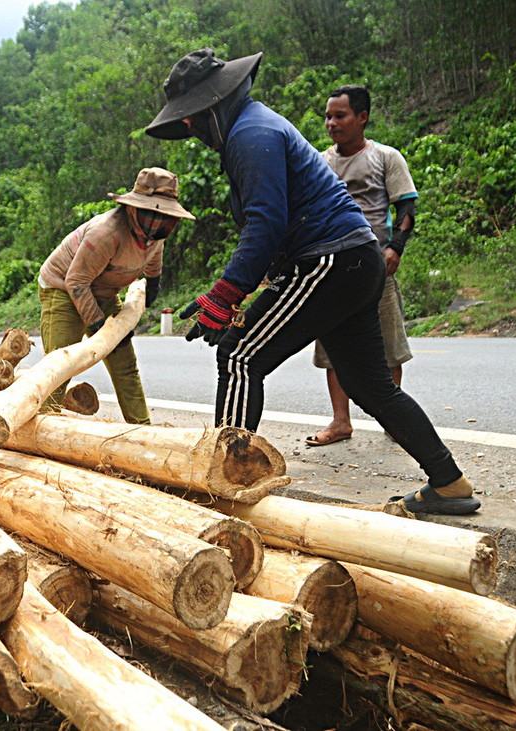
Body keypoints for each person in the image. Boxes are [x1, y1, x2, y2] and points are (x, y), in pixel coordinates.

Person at [145, 49, 478, 514]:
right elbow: (272, 227)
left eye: (193, 122)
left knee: (240, 355)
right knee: (370, 386)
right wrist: (242, 288)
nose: (193, 133)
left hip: (330, 261)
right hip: (354, 261)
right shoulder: (255, 127)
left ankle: (228, 491)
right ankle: (449, 483)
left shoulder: (250, 134)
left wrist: (225, 294)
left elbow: (264, 223)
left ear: (211, 108)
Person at [37, 167, 195, 425]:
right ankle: (41, 434)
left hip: (103, 292)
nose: (156, 220)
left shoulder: (155, 235)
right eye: (151, 213)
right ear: (134, 208)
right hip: (63, 289)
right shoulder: (107, 233)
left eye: (162, 215)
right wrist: (99, 325)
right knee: (58, 367)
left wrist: (153, 284)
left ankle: (142, 430)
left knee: (125, 364)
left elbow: (153, 260)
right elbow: (76, 281)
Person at [306, 85, 417, 447]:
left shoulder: (385, 157)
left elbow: (406, 208)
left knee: (387, 345)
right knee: (333, 347)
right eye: (328, 116)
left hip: (375, 266)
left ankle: (394, 420)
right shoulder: (321, 163)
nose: (331, 123)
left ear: (363, 117)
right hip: (332, 268)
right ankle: (341, 422)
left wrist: (395, 248)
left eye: (340, 116)